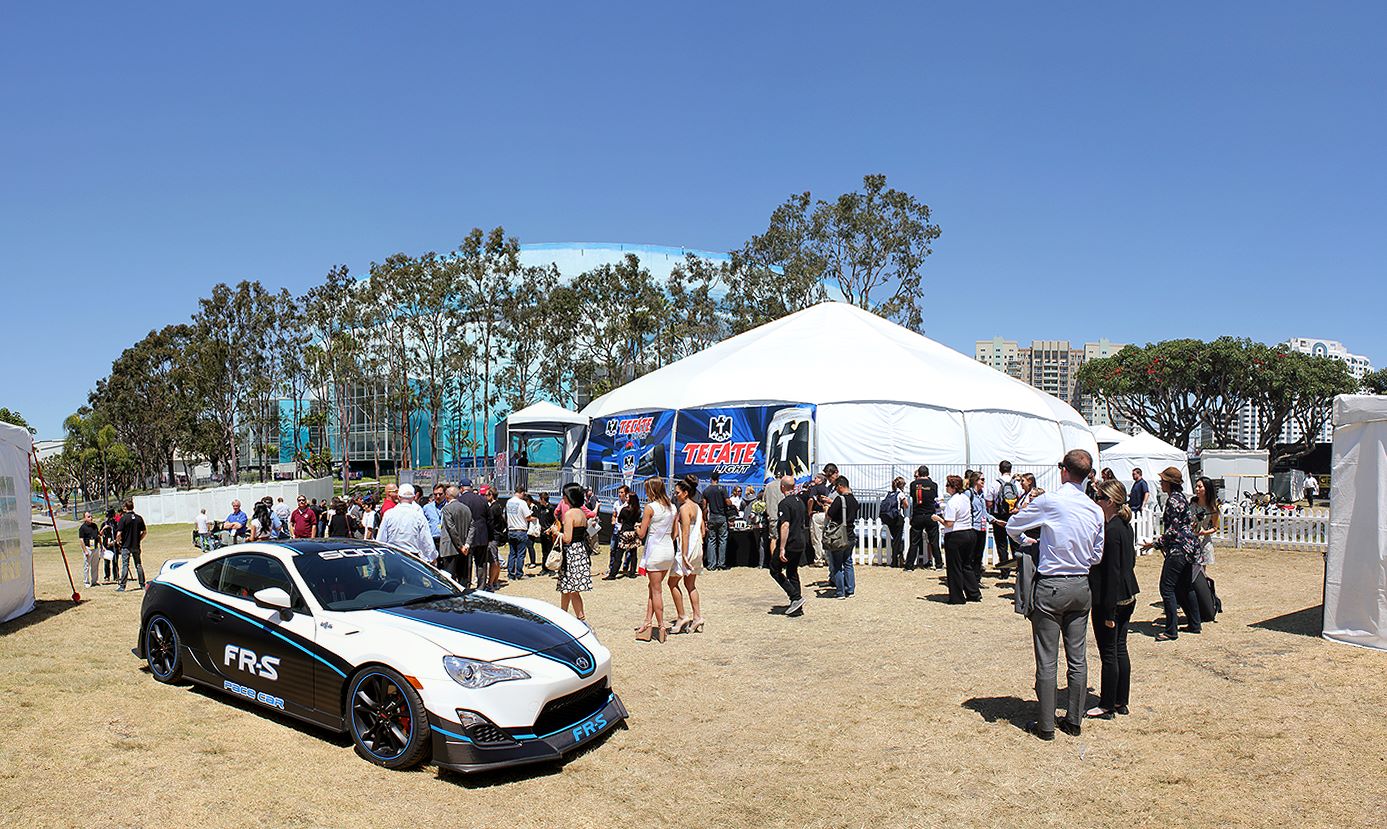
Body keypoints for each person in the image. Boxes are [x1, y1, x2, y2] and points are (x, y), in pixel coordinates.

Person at [1006, 449, 1105, 740]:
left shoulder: (1050, 500)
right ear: (1088, 475)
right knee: (1078, 656)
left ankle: (1046, 725)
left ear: (1063, 470)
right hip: (1081, 583)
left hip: (1052, 583)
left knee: (1047, 658)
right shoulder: (1095, 509)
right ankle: (1073, 720)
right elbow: (1097, 555)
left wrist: (1028, 540)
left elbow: (1013, 526)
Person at [1087, 479, 1140, 719]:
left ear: (1109, 501)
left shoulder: (1113, 530)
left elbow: (1112, 572)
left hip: (1111, 600)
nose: (1096, 501)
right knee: (1119, 649)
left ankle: (1108, 704)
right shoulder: (1124, 525)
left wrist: (1107, 611)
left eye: (1098, 497)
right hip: (1127, 594)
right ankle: (1121, 700)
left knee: (1109, 652)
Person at [1141, 467, 1201, 640]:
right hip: (1189, 547)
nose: (1161, 483)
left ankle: (1171, 630)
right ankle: (1195, 624)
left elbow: (1173, 530)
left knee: (1167, 588)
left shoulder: (1173, 501)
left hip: (1178, 549)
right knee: (1185, 586)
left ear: (1169, 483)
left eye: (1162, 480)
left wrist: (1155, 544)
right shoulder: (1182, 498)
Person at [635, 479, 677, 642]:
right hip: (668, 550)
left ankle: (660, 626)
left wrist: (637, 527)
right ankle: (647, 621)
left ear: (652, 490)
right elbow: (675, 531)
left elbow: (642, 533)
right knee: (653, 588)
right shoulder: (672, 507)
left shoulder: (650, 508)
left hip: (655, 551)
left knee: (656, 590)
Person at [668, 479, 706, 633]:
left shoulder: (684, 508)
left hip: (687, 550)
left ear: (685, 493)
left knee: (672, 583)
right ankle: (697, 617)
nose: (675, 495)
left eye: (677, 492)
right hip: (697, 548)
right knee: (690, 585)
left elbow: (685, 533)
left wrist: (683, 554)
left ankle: (682, 615)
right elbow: (703, 531)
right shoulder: (697, 507)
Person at [934, 476, 979, 604]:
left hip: (955, 535)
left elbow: (949, 523)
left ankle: (957, 597)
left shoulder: (952, 502)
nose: (946, 487)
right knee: (966, 565)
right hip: (969, 532)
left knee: (954, 567)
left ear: (953, 487)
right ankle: (973, 592)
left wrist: (938, 519)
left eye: (947, 485)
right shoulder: (965, 498)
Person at [556, 483, 594, 625]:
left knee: (572, 589)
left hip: (571, 553)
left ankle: (582, 620)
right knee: (567, 588)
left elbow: (567, 538)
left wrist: (556, 533)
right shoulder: (581, 513)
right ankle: (563, 615)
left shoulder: (569, 514)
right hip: (580, 552)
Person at [772, 476, 807, 616]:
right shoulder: (800, 502)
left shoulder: (784, 504)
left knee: (774, 570)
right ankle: (797, 605)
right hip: (800, 540)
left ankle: (795, 597)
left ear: (782, 487)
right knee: (792, 571)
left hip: (790, 542)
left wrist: (781, 547)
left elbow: (785, 525)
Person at [375, 483, 435, 562]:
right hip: (412, 557)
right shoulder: (419, 515)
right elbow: (426, 540)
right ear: (414, 497)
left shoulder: (389, 514)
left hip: (393, 556)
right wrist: (432, 557)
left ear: (399, 497)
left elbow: (381, 538)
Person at [825, 476, 859, 599]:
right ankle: (850, 589)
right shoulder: (854, 500)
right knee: (848, 562)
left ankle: (840, 591)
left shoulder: (840, 500)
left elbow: (829, 515)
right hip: (850, 534)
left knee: (837, 564)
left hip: (839, 535)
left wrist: (828, 505)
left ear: (840, 486)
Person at [457, 479, 492, 589]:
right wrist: (490, 535)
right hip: (482, 535)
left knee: (466, 563)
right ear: (471, 487)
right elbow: (489, 519)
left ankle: (466, 584)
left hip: (466, 536)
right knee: (481, 563)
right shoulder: (482, 499)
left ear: (461, 488)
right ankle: (481, 586)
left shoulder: (459, 500)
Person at [986, 461, 1021, 570]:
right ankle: (1018, 568)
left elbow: (989, 502)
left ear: (1000, 469)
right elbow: (1020, 499)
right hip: (1013, 515)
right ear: (1010, 470)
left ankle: (1005, 570)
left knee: (1001, 544)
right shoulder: (1016, 484)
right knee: (1015, 542)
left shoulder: (994, 483)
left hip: (999, 515)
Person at [907, 466, 941, 570]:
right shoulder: (933, 485)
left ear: (919, 474)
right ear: (928, 473)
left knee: (914, 542)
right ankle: (939, 564)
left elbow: (913, 496)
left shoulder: (913, 484)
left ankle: (909, 566)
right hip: (930, 515)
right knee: (934, 541)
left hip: (918, 515)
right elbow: (934, 497)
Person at [439, 485, 473, 585]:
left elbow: (451, 528)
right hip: (464, 549)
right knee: (463, 578)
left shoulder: (447, 509)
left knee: (450, 579)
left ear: (447, 496)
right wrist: (467, 544)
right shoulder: (466, 508)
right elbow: (472, 527)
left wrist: (460, 546)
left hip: (450, 548)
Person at [608, 488, 641, 579]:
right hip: (633, 532)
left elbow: (619, 519)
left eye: (627, 497)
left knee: (619, 553)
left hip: (625, 532)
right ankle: (632, 572)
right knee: (633, 553)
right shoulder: (638, 510)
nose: (626, 498)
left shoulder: (624, 510)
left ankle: (612, 574)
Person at [115, 499, 148, 592]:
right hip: (136, 545)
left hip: (126, 545)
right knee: (138, 564)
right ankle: (142, 584)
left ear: (125, 508)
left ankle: (122, 586)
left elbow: (119, 534)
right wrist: (139, 539)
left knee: (125, 565)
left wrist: (118, 542)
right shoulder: (139, 518)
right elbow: (144, 532)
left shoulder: (124, 518)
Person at [505, 484, 535, 582]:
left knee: (512, 553)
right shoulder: (522, 503)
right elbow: (528, 517)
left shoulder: (508, 502)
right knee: (520, 554)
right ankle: (519, 573)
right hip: (520, 530)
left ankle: (510, 574)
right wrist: (535, 519)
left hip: (511, 530)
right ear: (522, 493)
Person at [702, 472, 731, 571]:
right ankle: (721, 564)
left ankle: (711, 564)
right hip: (722, 516)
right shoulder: (722, 489)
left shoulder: (706, 490)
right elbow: (728, 502)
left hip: (712, 517)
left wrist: (705, 519)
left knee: (711, 540)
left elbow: (704, 507)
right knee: (723, 540)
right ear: (718, 478)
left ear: (711, 478)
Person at [1191, 476, 1220, 570]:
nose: (1197, 489)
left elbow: (1215, 527)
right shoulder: (1191, 503)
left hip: (1203, 541)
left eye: (1200, 487)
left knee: (1201, 571)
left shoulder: (1212, 508)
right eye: (1196, 486)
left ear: (1207, 489)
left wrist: (1204, 532)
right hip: (1190, 539)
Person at [967, 471, 989, 589]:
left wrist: (994, 520)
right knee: (970, 555)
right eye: (982, 479)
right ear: (975, 480)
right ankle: (970, 581)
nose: (983, 482)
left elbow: (984, 512)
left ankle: (976, 579)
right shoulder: (968, 494)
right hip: (972, 528)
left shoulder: (981, 494)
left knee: (978, 555)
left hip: (982, 528)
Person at [483, 486, 506, 589]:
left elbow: (490, 523)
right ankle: (495, 581)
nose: (484, 497)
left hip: (492, 536)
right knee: (495, 559)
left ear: (491, 495)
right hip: (496, 535)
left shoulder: (493, 508)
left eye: (486, 495)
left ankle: (491, 582)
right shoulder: (498, 506)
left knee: (493, 560)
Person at [883, 477, 908, 568]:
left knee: (895, 538)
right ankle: (895, 560)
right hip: (898, 518)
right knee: (897, 539)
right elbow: (906, 505)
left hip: (890, 518)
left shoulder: (889, 493)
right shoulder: (900, 494)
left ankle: (899, 556)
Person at [535, 492, 557, 573]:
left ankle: (551, 569)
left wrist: (550, 529)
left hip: (550, 532)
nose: (539, 500)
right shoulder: (540, 508)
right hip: (542, 532)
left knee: (550, 550)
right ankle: (544, 568)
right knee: (544, 551)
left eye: (540, 499)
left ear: (543, 499)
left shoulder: (551, 508)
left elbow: (555, 521)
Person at [78, 512, 101, 588]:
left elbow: (98, 536)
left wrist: (101, 546)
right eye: (88, 517)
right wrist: (85, 550)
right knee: (87, 566)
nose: (90, 518)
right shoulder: (82, 528)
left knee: (95, 565)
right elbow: (81, 540)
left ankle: (94, 581)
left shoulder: (94, 526)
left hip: (95, 548)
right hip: (88, 548)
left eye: (91, 516)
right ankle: (86, 581)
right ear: (85, 518)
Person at [423, 484, 446, 556]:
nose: (438, 496)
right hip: (432, 541)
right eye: (435, 494)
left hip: (445, 541)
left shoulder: (449, 506)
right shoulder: (427, 508)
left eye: (440, 494)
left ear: (445, 494)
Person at [100, 509, 120, 582]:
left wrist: (114, 542)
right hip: (106, 546)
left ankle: (116, 576)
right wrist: (103, 529)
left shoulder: (116, 524)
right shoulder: (104, 524)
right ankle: (107, 576)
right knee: (106, 562)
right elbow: (100, 534)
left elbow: (119, 534)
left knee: (115, 562)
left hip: (114, 545)